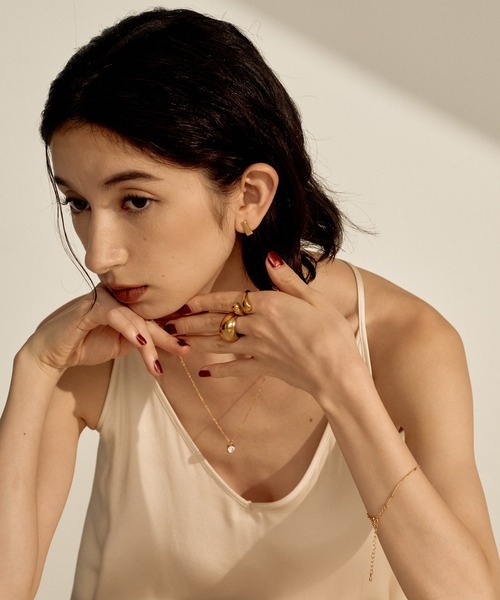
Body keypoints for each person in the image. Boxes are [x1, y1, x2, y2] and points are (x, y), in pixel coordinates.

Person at [0, 7, 499, 600]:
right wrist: (33, 369)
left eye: (135, 201)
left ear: (250, 196)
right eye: (78, 204)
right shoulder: (92, 350)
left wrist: (342, 385)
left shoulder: (404, 342)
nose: (98, 254)